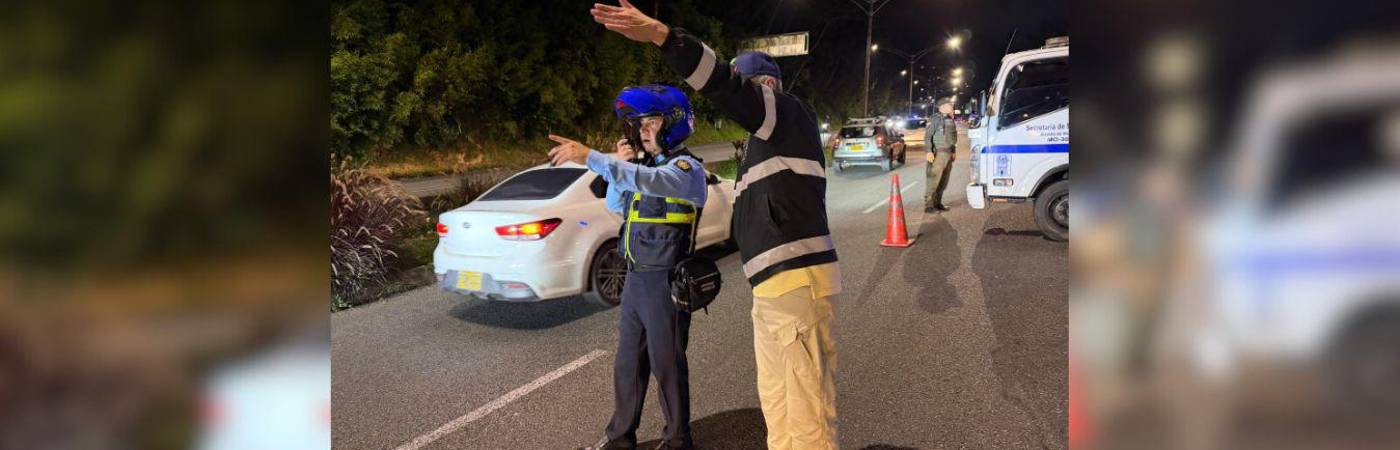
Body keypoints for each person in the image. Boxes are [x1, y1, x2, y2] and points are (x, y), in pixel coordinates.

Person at [591, 2, 841, 449]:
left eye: (746, 86)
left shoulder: (786, 114)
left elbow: (725, 86)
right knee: (778, 403)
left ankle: (677, 435)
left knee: (805, 411)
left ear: (767, 86)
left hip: (795, 282)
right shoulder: (762, 146)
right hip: (771, 288)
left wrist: (665, 38)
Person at [548, 84, 708, 450]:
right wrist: (624, 163)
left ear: (674, 123)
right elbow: (616, 205)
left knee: (667, 365)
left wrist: (594, 158)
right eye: (640, 124)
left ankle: (678, 440)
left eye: (652, 122)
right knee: (628, 364)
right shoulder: (643, 168)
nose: (643, 130)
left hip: (667, 281)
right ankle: (620, 438)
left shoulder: (686, 170)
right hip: (635, 280)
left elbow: (651, 182)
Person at [924, 97, 958, 213]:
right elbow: (928, 136)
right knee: (933, 181)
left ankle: (938, 203)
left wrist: (953, 151)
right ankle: (929, 206)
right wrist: (929, 151)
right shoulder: (935, 119)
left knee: (943, 181)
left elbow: (952, 138)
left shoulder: (950, 119)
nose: (952, 106)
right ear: (942, 107)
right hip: (938, 153)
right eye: (949, 104)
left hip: (948, 153)